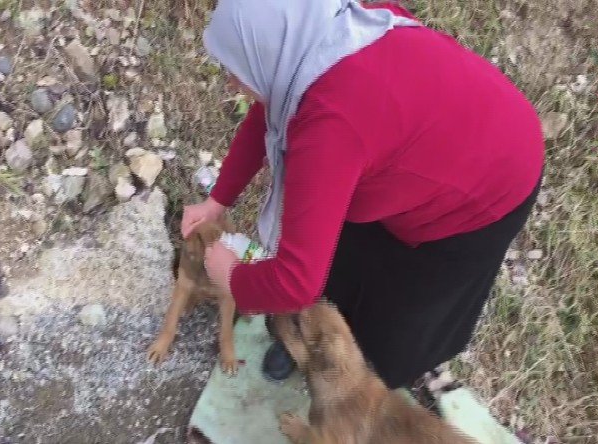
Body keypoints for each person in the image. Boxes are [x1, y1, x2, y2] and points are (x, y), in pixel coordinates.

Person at [181, 0, 544, 389]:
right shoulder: (320, 33)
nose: (231, 84)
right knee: (341, 257)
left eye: (235, 73)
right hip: (421, 143)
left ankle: (358, 385)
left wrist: (232, 277)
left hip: (490, 184)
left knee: (402, 315)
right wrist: (218, 199)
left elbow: (295, 282)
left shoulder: (329, 130)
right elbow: (272, 104)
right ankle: (302, 340)